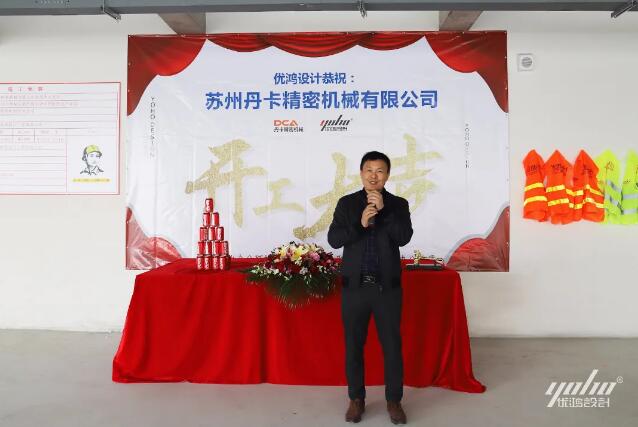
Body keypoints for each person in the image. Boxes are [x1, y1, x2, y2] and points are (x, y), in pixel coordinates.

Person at [328, 151, 413, 424]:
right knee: (354, 346)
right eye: (369, 170)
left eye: (379, 171)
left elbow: (404, 237)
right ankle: (356, 399)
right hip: (355, 289)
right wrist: (360, 223)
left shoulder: (398, 204)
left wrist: (384, 212)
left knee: (392, 347)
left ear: (387, 175)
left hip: (387, 290)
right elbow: (334, 239)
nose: (373, 176)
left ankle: (394, 401)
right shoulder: (347, 203)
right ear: (361, 173)